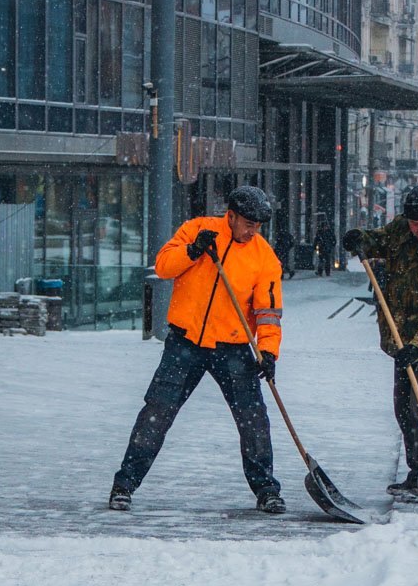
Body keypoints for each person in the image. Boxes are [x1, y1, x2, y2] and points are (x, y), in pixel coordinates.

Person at [109, 185, 286, 514]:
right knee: (157, 412)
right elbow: (163, 267)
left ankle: (266, 489)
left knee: (254, 419)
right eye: (248, 223)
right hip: (185, 342)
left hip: (233, 347)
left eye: (258, 226)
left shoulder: (264, 258)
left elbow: (268, 311)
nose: (253, 231)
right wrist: (193, 251)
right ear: (230, 216)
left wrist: (268, 352)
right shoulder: (197, 230)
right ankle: (124, 484)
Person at [342, 185, 418, 500]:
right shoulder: (401, 231)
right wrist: (360, 239)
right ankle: (417, 471)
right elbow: (378, 241)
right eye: (415, 225)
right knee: (403, 409)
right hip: (402, 336)